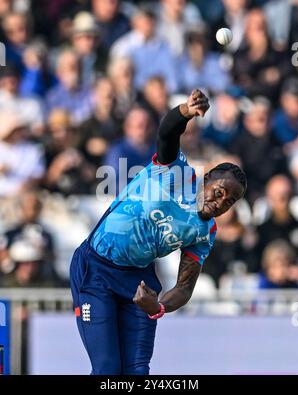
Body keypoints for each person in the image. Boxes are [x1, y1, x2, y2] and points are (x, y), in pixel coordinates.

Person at [69, 89, 247, 375]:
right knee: (107, 370)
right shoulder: (177, 173)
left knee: (138, 372)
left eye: (230, 201)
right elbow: (167, 133)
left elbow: (185, 287)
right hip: (96, 268)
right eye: (220, 192)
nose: (221, 202)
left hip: (138, 280)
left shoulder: (205, 232)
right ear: (207, 178)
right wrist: (185, 112)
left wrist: (159, 307)